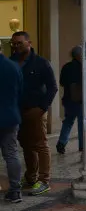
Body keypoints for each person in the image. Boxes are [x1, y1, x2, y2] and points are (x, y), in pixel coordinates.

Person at [10, 31, 57, 196]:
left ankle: (44, 180)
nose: (16, 46)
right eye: (14, 43)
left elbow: (52, 87)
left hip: (35, 110)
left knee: (40, 144)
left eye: (19, 43)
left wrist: (42, 108)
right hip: (18, 111)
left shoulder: (41, 63)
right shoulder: (12, 62)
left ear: (29, 43)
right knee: (26, 145)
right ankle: (31, 177)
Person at [0, 49, 23, 203]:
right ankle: (15, 191)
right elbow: (20, 91)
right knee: (11, 154)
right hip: (10, 116)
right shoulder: (14, 66)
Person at [56, 46, 84, 154]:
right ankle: (82, 145)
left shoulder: (66, 67)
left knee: (68, 121)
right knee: (81, 123)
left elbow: (62, 82)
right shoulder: (83, 67)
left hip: (68, 99)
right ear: (79, 55)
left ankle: (61, 143)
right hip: (80, 100)